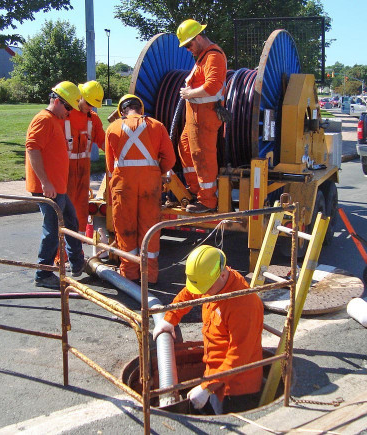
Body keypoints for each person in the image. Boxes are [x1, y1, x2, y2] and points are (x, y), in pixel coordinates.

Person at [153, 245, 264, 414]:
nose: (203, 293)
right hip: (213, 376)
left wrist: (207, 387)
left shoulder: (243, 305)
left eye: (206, 289)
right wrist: (170, 319)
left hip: (236, 390)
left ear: (223, 274)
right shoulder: (212, 283)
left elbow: (239, 356)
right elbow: (189, 293)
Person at [105, 94, 176, 283]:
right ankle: (150, 276)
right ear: (141, 109)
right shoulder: (157, 126)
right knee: (150, 229)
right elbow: (170, 159)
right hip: (150, 186)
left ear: (122, 111)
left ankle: (129, 276)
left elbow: (110, 165)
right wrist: (154, 172)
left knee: (125, 230)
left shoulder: (113, 127)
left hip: (122, 186)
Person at [25, 81, 86, 289]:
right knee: (52, 230)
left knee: (71, 221)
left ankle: (77, 263)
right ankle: (43, 274)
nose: (69, 113)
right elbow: (32, 149)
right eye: (67, 107)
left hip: (57, 187)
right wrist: (45, 182)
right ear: (57, 101)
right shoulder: (43, 119)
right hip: (49, 188)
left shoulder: (54, 119)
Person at [176, 19, 228, 213]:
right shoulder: (203, 58)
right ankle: (196, 192)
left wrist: (189, 94)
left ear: (198, 38)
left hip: (205, 118)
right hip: (195, 117)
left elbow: (213, 86)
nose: (188, 49)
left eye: (189, 45)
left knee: (202, 156)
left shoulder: (213, 56)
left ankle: (207, 200)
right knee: (185, 148)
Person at [66, 80, 106, 233]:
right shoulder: (65, 115)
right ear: (79, 96)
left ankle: (77, 251)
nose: (90, 107)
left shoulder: (93, 119)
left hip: (82, 175)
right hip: (64, 174)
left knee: (81, 212)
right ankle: (59, 255)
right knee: (63, 214)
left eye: (92, 105)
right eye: (88, 103)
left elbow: (104, 142)